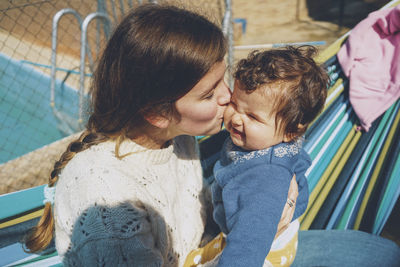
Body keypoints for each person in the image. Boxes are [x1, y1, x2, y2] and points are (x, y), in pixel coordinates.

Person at [23, 3, 400, 267]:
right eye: (209, 93)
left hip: (215, 253)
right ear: (156, 112)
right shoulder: (105, 199)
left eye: (225, 78)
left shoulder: (179, 139)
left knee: (382, 254)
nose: (228, 97)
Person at [186, 46, 328, 267]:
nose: (236, 118)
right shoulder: (264, 139)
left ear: (291, 131)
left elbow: (249, 242)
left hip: (259, 255)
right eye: (234, 104)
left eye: (252, 116)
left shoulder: (266, 178)